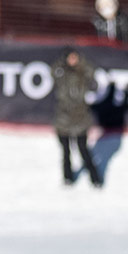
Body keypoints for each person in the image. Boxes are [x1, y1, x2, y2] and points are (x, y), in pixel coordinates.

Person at [55, 48, 102, 188]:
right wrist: (62, 62)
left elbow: (93, 77)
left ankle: (95, 179)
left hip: (80, 118)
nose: (73, 60)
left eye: (75, 57)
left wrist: (82, 64)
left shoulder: (83, 73)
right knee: (66, 151)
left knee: (83, 149)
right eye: (70, 58)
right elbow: (53, 72)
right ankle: (68, 178)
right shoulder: (62, 73)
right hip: (63, 118)